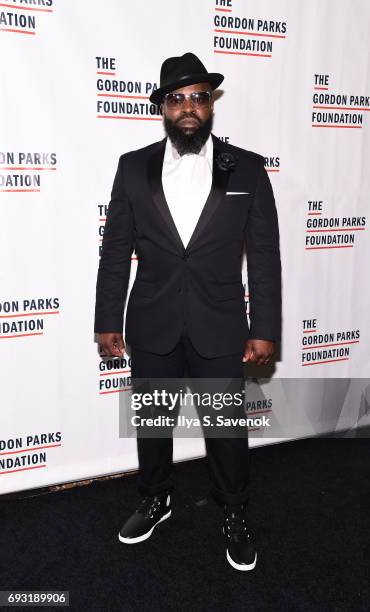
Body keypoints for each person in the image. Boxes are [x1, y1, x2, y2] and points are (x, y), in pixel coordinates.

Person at [94, 52, 282, 571]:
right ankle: (156, 497)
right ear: (162, 108)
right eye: (177, 99)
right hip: (152, 321)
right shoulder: (133, 167)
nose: (189, 108)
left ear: (211, 104)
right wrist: (107, 319)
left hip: (219, 324)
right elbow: (115, 250)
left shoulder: (245, 168)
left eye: (198, 97)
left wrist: (265, 327)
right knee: (152, 424)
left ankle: (235, 511)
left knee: (226, 430)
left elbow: (263, 252)